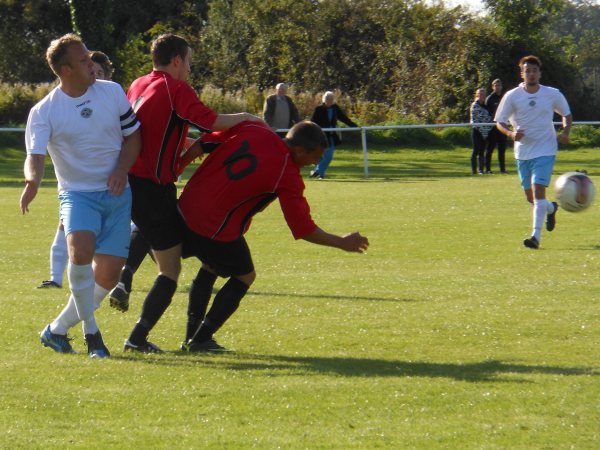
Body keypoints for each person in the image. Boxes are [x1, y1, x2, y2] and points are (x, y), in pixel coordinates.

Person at [122, 33, 263, 353]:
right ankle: (138, 338)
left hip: (134, 185)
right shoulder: (175, 88)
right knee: (171, 270)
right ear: (176, 61)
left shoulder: (139, 83)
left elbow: (151, 133)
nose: (188, 68)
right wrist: (247, 118)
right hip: (154, 190)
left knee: (187, 249)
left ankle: (127, 278)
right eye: (188, 62)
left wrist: (183, 149)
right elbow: (210, 120)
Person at [179, 120, 370, 352]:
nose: (315, 162)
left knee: (211, 266)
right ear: (299, 150)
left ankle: (192, 335)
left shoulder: (256, 129)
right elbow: (303, 228)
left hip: (186, 207)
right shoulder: (287, 173)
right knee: (244, 275)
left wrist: (179, 165)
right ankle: (200, 339)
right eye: (316, 157)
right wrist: (341, 242)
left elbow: (207, 140)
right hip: (217, 225)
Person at [21, 34, 141, 357]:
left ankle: (56, 330)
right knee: (81, 251)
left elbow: (133, 138)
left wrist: (120, 170)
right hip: (77, 195)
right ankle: (93, 335)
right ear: (65, 70)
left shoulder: (112, 92)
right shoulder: (44, 111)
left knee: (107, 278)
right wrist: (32, 182)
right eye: (85, 60)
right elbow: (35, 157)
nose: (93, 64)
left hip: (118, 194)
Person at [37, 50, 116, 289]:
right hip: (79, 185)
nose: (95, 74)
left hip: (114, 181)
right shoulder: (59, 105)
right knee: (66, 226)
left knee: (130, 230)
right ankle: (55, 278)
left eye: (101, 72)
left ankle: (123, 276)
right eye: (92, 69)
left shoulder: (114, 98)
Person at [495, 55, 572, 249]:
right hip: (522, 152)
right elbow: (500, 122)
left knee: (538, 191)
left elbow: (566, 114)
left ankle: (535, 237)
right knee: (532, 198)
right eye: (527, 71)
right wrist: (511, 134)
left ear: (539, 73)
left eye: (534, 71)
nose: (531, 74)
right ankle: (551, 207)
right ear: (522, 74)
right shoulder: (512, 96)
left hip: (546, 148)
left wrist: (565, 131)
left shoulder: (552, 94)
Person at [309, 91, 358, 179]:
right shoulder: (318, 109)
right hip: (321, 136)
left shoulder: (335, 108)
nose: (329, 101)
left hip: (331, 136)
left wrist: (354, 126)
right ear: (324, 99)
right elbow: (312, 122)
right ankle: (321, 174)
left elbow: (343, 118)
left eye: (331, 99)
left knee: (329, 156)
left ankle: (317, 172)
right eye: (327, 99)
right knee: (321, 156)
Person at [485, 78, 508, 174]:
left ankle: (502, 169)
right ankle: (488, 169)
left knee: (502, 149)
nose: (497, 87)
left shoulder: (504, 97)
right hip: (493, 127)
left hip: (502, 126)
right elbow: (488, 113)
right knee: (490, 148)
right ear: (493, 87)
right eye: (496, 85)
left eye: (499, 85)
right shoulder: (490, 99)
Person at [470, 88, 493, 175]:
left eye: (483, 94)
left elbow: (489, 117)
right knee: (475, 150)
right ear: (477, 95)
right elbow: (478, 117)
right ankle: (473, 170)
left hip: (485, 131)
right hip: (476, 130)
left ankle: (481, 170)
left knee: (482, 151)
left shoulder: (486, 106)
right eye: (479, 94)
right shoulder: (474, 105)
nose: (481, 96)